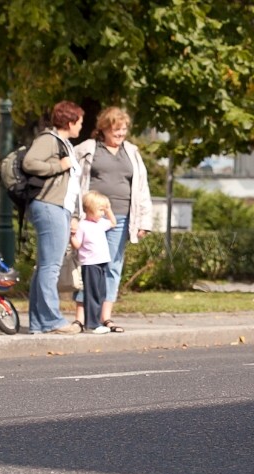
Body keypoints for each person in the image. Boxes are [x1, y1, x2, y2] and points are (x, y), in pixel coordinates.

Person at [73, 107, 153, 331]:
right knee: (87, 265)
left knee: (112, 267)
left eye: (124, 129)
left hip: (120, 217)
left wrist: (144, 222)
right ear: (104, 129)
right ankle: (81, 316)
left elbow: (141, 187)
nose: (120, 134)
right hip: (91, 218)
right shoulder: (88, 149)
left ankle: (104, 317)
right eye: (116, 129)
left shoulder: (132, 151)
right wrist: (73, 215)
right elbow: (72, 178)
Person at [23, 100, 85, 335]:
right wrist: (59, 165)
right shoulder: (48, 139)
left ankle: (39, 322)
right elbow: (30, 163)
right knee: (51, 266)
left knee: (45, 267)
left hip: (60, 209)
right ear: (69, 122)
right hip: (49, 206)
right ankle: (52, 321)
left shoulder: (64, 143)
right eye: (79, 122)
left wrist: (73, 215)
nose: (81, 126)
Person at [71, 192, 117, 333]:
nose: (103, 214)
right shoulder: (83, 225)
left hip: (102, 263)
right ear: (89, 210)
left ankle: (96, 322)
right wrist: (72, 234)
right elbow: (77, 245)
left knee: (101, 294)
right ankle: (92, 324)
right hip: (90, 264)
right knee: (92, 295)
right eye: (100, 210)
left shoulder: (100, 223)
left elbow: (113, 223)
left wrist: (108, 209)